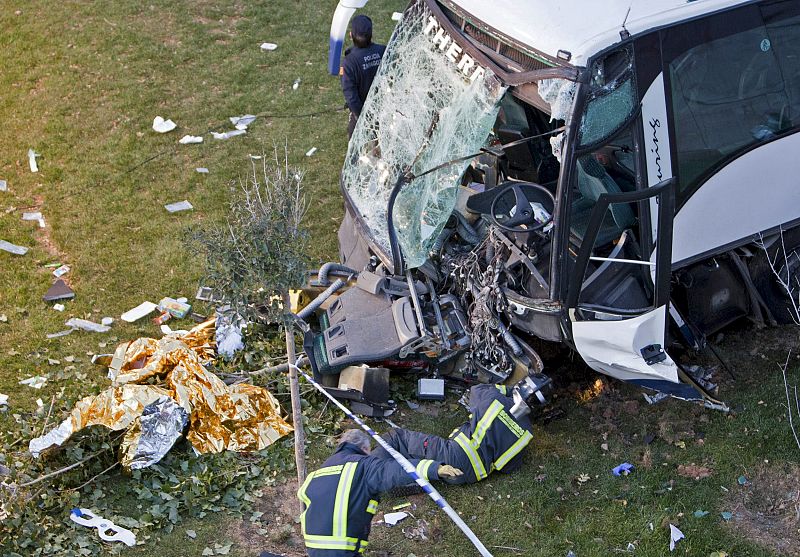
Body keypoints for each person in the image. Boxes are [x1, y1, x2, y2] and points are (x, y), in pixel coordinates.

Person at [296, 429, 462, 556]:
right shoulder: (363, 465)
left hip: (313, 547)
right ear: (363, 448)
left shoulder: (316, 473)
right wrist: (434, 468)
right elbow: (393, 471)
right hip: (341, 549)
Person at [371, 373, 553, 484]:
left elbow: (477, 390)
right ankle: (412, 475)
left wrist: (507, 390)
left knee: (397, 438)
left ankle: (367, 472)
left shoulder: (493, 398)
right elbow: (507, 467)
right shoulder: (527, 433)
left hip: (453, 454)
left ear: (520, 387)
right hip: (472, 475)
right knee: (415, 454)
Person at [341, 15, 385, 138]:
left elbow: (351, 96)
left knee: (356, 145)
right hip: (383, 107)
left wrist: (362, 117)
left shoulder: (348, 63)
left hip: (362, 112)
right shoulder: (383, 51)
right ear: (371, 34)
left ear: (351, 35)